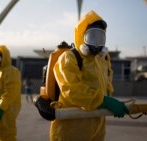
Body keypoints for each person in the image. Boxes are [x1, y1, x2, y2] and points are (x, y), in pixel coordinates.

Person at [50, 10, 129, 141]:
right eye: (92, 37)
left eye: (100, 38)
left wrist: (108, 98)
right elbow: (72, 90)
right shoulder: (69, 58)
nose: (96, 43)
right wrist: (104, 101)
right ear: (81, 36)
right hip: (70, 130)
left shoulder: (102, 60)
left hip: (97, 127)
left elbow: (107, 84)